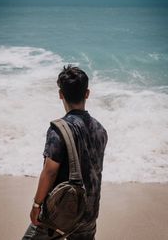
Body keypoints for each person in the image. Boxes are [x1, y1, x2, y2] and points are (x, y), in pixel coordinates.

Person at [22, 65, 108, 240]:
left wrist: (36, 204)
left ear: (61, 94)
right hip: (89, 212)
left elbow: (50, 171)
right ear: (87, 93)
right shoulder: (101, 129)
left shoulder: (59, 129)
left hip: (60, 212)